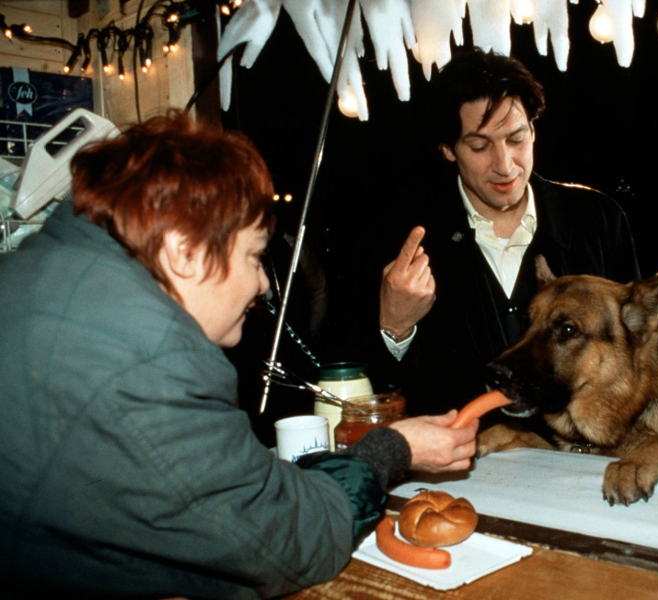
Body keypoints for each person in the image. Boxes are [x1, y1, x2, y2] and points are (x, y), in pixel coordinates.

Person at [0, 113, 477, 599]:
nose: (263, 283)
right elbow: (287, 543)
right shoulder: (153, 360)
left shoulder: (32, 278)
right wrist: (393, 449)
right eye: (252, 256)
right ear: (183, 251)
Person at [376, 49, 640, 415]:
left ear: (533, 131)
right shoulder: (408, 238)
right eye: (480, 146)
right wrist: (395, 327)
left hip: (577, 446)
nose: (504, 165)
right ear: (448, 150)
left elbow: (638, 350)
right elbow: (369, 388)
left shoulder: (597, 219)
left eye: (516, 140)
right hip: (461, 446)